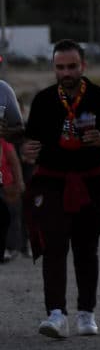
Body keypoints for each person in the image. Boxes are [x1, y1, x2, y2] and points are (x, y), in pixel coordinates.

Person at [22, 40, 100, 339]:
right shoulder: (43, 100)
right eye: (60, 67)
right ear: (54, 68)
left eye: (71, 66)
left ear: (83, 66)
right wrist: (25, 149)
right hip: (53, 181)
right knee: (53, 246)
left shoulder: (98, 96)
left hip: (90, 181)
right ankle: (56, 314)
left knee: (87, 249)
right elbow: (29, 142)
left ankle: (86, 313)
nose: (66, 72)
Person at [0, 80, 25, 261]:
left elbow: (18, 128)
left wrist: (6, 131)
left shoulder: (3, 90)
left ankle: (11, 247)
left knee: (11, 214)